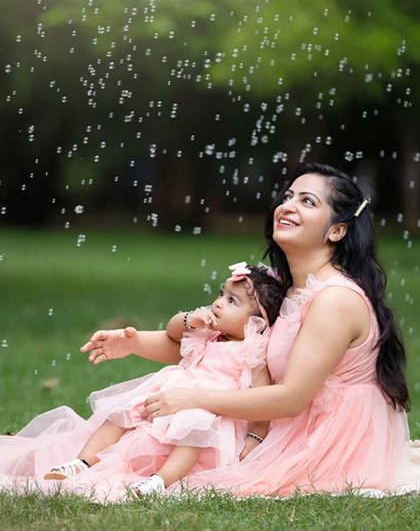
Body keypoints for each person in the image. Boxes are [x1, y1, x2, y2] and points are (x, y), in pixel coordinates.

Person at [82, 162, 413, 497]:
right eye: (288, 196)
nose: (288, 206)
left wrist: (194, 399)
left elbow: (292, 399)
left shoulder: (334, 300)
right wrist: (132, 343)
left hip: (327, 436)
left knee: (173, 448)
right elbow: (219, 349)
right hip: (271, 414)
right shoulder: (281, 286)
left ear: (336, 231)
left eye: (307, 202)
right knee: (145, 435)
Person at [0, 264, 284, 499]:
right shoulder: (207, 330)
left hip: (208, 410)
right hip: (172, 388)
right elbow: (173, 329)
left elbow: (261, 402)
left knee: (192, 437)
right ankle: (83, 461)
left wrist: (254, 438)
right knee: (121, 414)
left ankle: (159, 482)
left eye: (232, 302)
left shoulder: (253, 352)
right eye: (222, 294)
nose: (219, 303)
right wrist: (189, 319)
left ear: (256, 322)